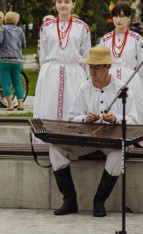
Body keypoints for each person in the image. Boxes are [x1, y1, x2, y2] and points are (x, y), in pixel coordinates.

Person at [49, 46, 138, 217]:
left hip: (112, 141)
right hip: (88, 140)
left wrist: (116, 119)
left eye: (96, 67)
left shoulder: (122, 89)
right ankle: (69, 200)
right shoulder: (84, 88)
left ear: (107, 67)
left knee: (119, 153)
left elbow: (134, 120)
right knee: (55, 147)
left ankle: (99, 201)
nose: (93, 71)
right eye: (90, 67)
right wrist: (85, 118)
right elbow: (72, 117)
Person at [35, 0, 91, 122]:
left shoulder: (82, 27)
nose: (63, 5)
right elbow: (43, 54)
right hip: (51, 73)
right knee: (49, 107)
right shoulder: (46, 27)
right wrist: (45, 72)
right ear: (55, 4)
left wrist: (85, 76)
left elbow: (86, 55)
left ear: (73, 4)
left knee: (73, 107)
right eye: (59, 1)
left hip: (74, 72)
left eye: (66, 1)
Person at [98, 1, 143, 124]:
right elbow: (100, 61)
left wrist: (138, 84)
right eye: (115, 16)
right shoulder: (105, 38)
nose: (118, 19)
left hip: (131, 79)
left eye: (122, 16)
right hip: (109, 78)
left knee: (132, 110)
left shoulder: (137, 38)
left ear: (129, 18)